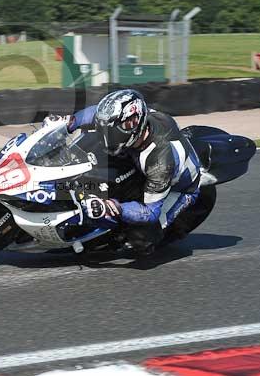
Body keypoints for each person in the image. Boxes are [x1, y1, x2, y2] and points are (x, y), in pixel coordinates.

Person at [46, 89, 211, 253]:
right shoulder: (133, 119)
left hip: (180, 188)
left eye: (112, 130)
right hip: (139, 157)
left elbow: (150, 211)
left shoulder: (159, 162)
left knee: (140, 237)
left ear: (132, 125)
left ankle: (154, 235)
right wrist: (69, 123)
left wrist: (112, 207)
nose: (107, 135)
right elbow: (96, 113)